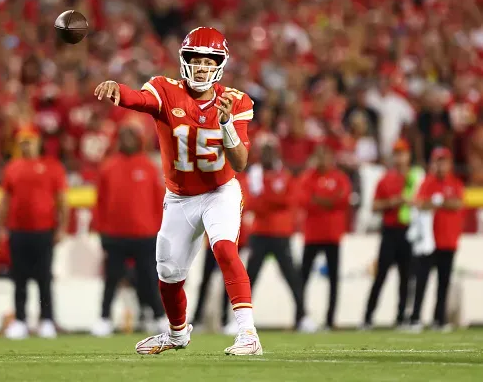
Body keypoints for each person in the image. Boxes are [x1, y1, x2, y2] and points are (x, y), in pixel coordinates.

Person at [94, 27, 261, 355]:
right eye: (195, 60)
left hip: (219, 190)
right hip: (180, 196)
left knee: (225, 248)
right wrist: (120, 90)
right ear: (184, 61)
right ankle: (176, 333)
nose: (200, 67)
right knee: (168, 274)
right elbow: (140, 100)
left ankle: (248, 333)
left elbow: (240, 162)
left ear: (219, 65)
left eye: (207, 61)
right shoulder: (165, 90)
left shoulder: (235, 100)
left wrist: (225, 123)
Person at [90, 121, 166, 337]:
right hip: (115, 235)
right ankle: (104, 318)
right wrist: (101, 231)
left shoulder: (150, 167)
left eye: (131, 136)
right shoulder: (108, 167)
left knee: (150, 278)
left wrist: (160, 231)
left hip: (145, 235)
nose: (127, 140)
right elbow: (100, 202)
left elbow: (158, 202)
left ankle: (160, 317)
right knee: (111, 279)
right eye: (123, 136)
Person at [0, 126, 68, 339]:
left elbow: (62, 200)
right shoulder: (12, 168)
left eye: (29, 141)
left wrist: (62, 227)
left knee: (44, 277)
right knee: (19, 278)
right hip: (18, 230)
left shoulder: (52, 167)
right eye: (22, 142)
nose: (26, 145)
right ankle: (20, 320)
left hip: (43, 230)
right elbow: (5, 200)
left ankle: (47, 319)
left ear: (37, 142)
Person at [243, 136, 316, 332]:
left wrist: (267, 199)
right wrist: (274, 199)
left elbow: (289, 200)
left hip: (280, 233)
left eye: (270, 150)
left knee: (293, 277)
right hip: (260, 233)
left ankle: (302, 316)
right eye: (264, 150)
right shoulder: (256, 175)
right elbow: (252, 204)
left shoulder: (282, 175)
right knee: (249, 279)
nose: (268, 154)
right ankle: (239, 320)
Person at [363, 139, 421, 329]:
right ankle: (368, 317)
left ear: (408, 156)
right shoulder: (386, 179)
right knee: (381, 275)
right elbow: (375, 206)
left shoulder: (415, 178)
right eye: (397, 153)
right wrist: (395, 201)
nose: (400, 157)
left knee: (406, 277)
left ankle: (401, 317)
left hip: (408, 231)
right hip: (390, 231)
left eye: (402, 153)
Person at [408, 147, 464, 332]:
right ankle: (415, 318)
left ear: (449, 163)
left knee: (443, 283)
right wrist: (439, 202)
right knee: (421, 281)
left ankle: (439, 319)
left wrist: (437, 202)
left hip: (448, 241)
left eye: (444, 161)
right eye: (438, 161)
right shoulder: (427, 183)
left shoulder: (455, 182)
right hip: (429, 243)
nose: (440, 165)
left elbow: (457, 203)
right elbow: (419, 203)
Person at [298, 144, 351, 330]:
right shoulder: (308, 177)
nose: (323, 160)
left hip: (332, 235)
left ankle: (330, 319)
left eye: (326, 156)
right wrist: (330, 201)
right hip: (312, 235)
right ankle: (300, 317)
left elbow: (344, 200)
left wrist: (318, 199)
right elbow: (304, 201)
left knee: (334, 279)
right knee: (303, 278)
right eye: (319, 157)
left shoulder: (340, 177)